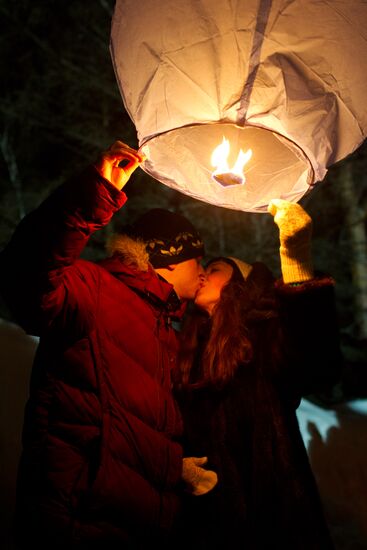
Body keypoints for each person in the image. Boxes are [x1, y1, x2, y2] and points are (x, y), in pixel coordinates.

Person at [0, 140, 217, 549]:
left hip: (126, 524)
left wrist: (171, 467)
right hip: (76, 522)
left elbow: (124, 425)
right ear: (169, 259)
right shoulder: (96, 290)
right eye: (197, 260)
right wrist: (92, 193)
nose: (203, 271)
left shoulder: (162, 327)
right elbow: (25, 277)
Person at [173, 199, 344, 549]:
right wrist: (176, 463)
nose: (203, 272)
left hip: (275, 516)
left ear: (241, 284)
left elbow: (316, 362)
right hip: (208, 519)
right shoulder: (185, 350)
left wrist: (296, 258)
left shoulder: (263, 337)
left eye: (216, 268)